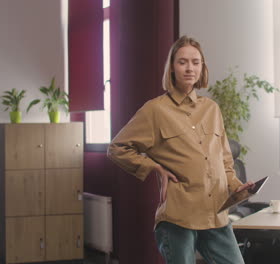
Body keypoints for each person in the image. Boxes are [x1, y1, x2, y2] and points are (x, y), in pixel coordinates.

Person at [107, 35, 254, 264]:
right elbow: (117, 148)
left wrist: (237, 187)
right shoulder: (155, 110)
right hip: (178, 218)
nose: (189, 68)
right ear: (172, 68)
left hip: (215, 215)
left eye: (196, 62)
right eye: (182, 62)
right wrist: (153, 166)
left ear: (202, 67)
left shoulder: (212, 109)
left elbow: (225, 160)